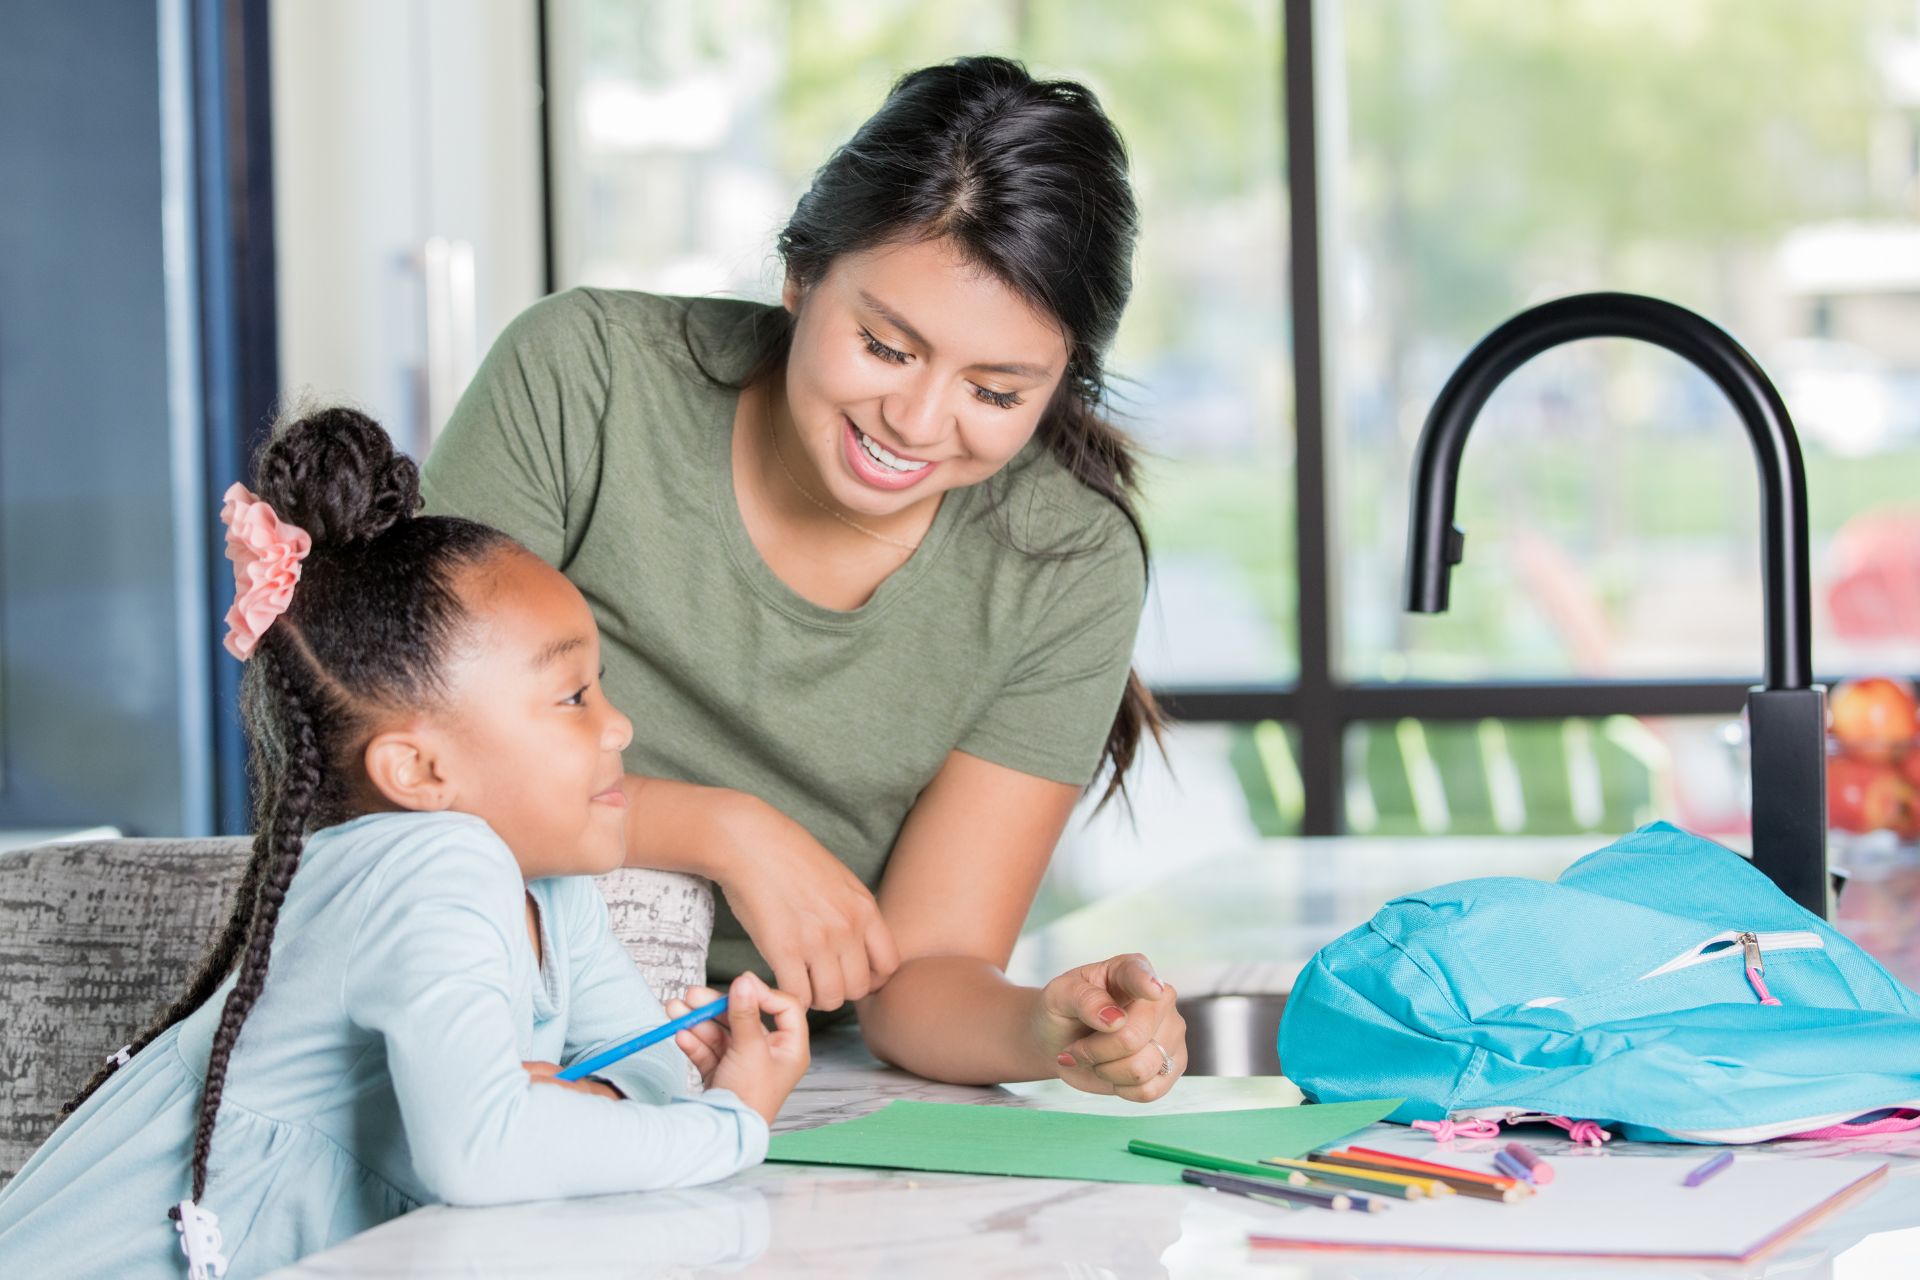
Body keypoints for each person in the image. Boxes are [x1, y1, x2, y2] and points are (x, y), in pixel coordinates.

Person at [422, 55, 1187, 1098]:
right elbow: (411, 749)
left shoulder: (1068, 562)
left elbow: (916, 981)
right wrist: (724, 829)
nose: (915, 424)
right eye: (885, 344)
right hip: (478, 1014)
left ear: (1057, 388)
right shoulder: (583, 380)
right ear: (799, 276)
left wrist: (1047, 1028)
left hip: (761, 1073)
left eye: (997, 392)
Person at [0, 408, 808, 1278]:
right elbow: (482, 1151)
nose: (619, 727)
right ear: (417, 773)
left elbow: (648, 1071)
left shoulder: (552, 892)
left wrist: (587, 1100)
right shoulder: (433, 865)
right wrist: (733, 1120)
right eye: (573, 698)